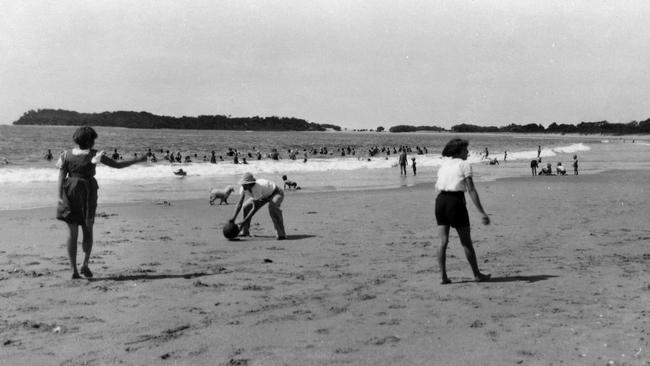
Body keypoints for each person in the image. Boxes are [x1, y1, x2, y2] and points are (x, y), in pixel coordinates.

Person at [57, 126, 147, 279]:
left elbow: (61, 177)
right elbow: (117, 165)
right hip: (87, 192)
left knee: (72, 233)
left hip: (69, 192)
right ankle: (84, 264)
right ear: (91, 141)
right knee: (88, 229)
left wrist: (60, 195)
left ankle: (73, 270)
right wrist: (137, 160)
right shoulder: (95, 155)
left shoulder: (65, 155)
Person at [435, 138, 491, 285]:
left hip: (440, 201)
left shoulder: (444, 164)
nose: (468, 152)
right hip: (455, 202)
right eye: (465, 150)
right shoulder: (464, 164)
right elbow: (471, 189)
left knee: (442, 241)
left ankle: (443, 277)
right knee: (466, 241)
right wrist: (482, 212)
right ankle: (477, 274)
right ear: (458, 151)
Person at [230, 173, 286, 240]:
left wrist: (244, 221)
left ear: (250, 184)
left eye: (245, 184)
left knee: (272, 208)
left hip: (276, 192)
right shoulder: (243, 187)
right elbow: (240, 204)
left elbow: (254, 208)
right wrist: (233, 218)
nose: (243, 185)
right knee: (246, 207)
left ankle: (281, 234)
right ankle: (245, 231)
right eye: (242, 184)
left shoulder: (256, 188)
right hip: (262, 196)